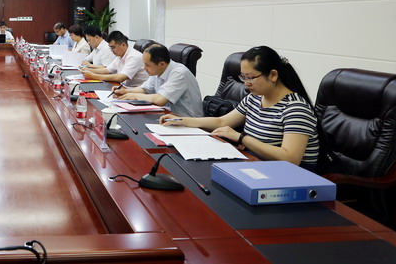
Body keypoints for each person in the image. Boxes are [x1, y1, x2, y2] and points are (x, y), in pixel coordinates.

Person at [159, 46, 319, 168]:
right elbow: (222, 122)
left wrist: (241, 138)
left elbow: (290, 159)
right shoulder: (255, 98)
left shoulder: (295, 108)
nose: (246, 84)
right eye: (244, 77)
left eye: (251, 78)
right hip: (256, 164)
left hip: (288, 176)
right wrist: (183, 120)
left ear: (273, 75)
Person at [113, 44, 203, 117]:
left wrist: (134, 96)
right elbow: (145, 89)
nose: (144, 68)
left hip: (188, 123)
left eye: (147, 65)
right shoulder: (158, 70)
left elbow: (161, 99)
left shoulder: (180, 73)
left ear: (161, 64)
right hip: (168, 116)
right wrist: (125, 91)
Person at [81, 31, 149, 87]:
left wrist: (93, 76)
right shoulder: (119, 55)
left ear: (123, 45)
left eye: (113, 47)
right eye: (110, 47)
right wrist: (88, 70)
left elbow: (120, 77)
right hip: (124, 87)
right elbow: (107, 70)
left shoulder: (134, 57)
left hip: (136, 90)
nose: (112, 50)